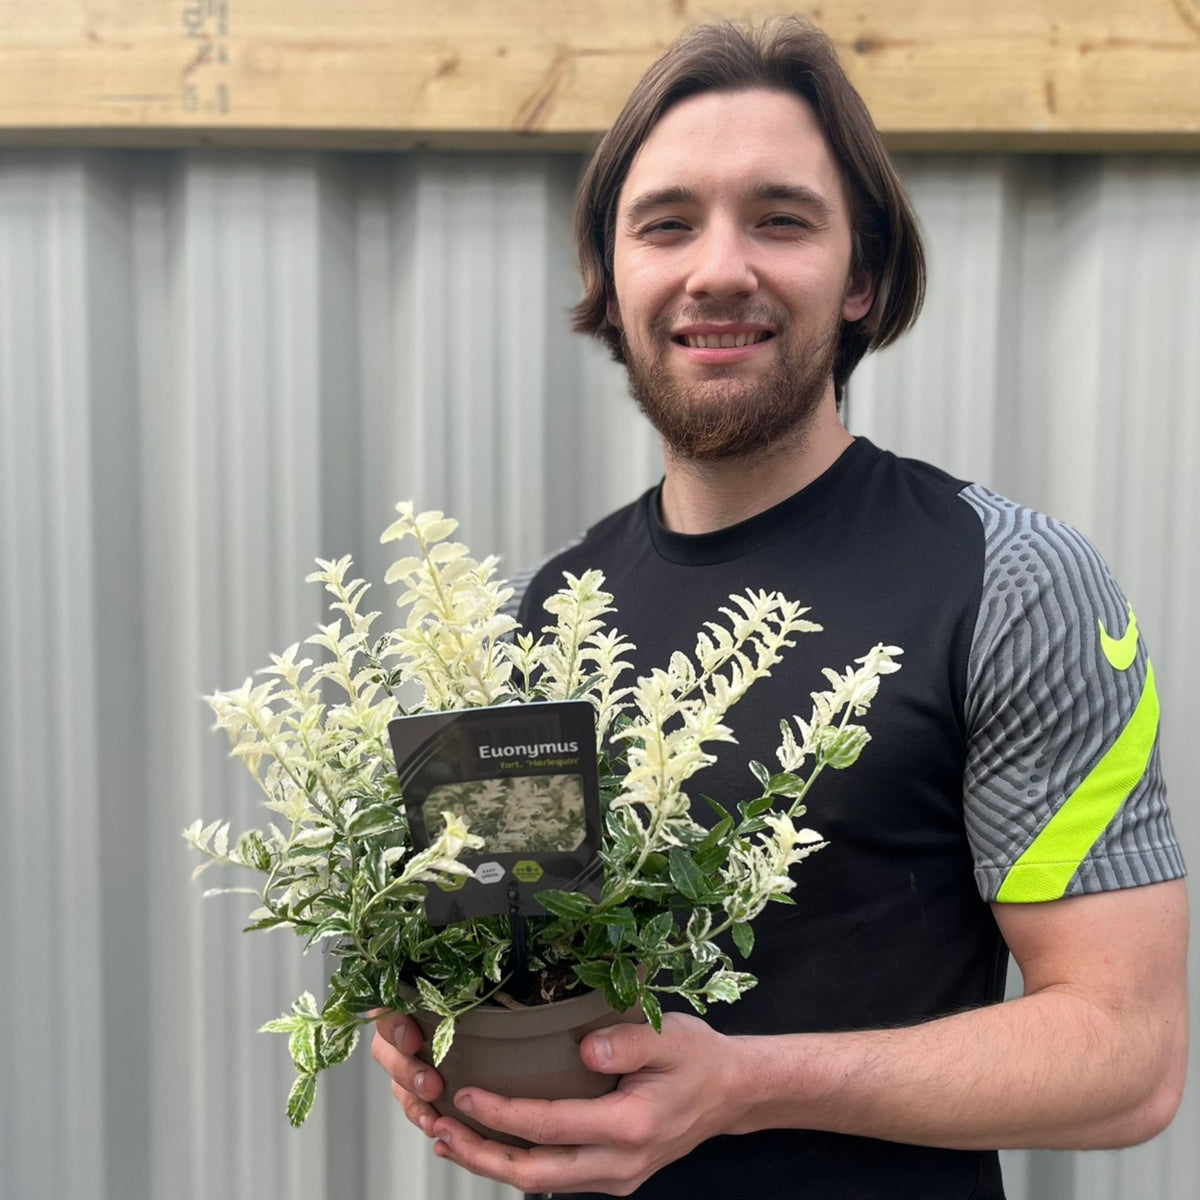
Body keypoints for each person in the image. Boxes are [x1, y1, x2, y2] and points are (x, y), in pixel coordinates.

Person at [371, 17, 1188, 1198]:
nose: (717, 269)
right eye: (666, 223)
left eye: (780, 218)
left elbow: (1130, 1057)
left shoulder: (1011, 582)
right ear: (613, 276)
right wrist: (445, 1034)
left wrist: (745, 1086)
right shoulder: (550, 612)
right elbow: (517, 972)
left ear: (860, 278)